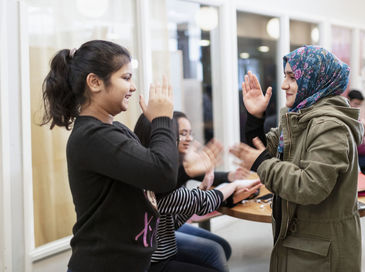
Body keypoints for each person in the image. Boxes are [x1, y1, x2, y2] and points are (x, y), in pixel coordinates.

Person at [41, 40, 182, 272]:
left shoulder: (114, 130)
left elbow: (154, 178)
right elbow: (163, 173)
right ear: (95, 82)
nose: (133, 87)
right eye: (126, 78)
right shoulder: (93, 137)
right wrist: (162, 121)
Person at [230, 46, 363, 271]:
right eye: (285, 76)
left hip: (323, 252)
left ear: (315, 79)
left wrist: (261, 162)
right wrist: (255, 118)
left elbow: (310, 187)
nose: (284, 85)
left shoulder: (330, 126)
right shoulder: (299, 116)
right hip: (304, 244)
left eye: (293, 77)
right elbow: (267, 149)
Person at [133, 114, 262, 271]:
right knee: (216, 251)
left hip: (162, 245)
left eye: (189, 133)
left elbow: (174, 219)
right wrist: (234, 185)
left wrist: (213, 185)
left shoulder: (151, 168)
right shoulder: (159, 179)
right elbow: (201, 202)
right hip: (155, 259)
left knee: (220, 248)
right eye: (181, 134)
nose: (187, 139)